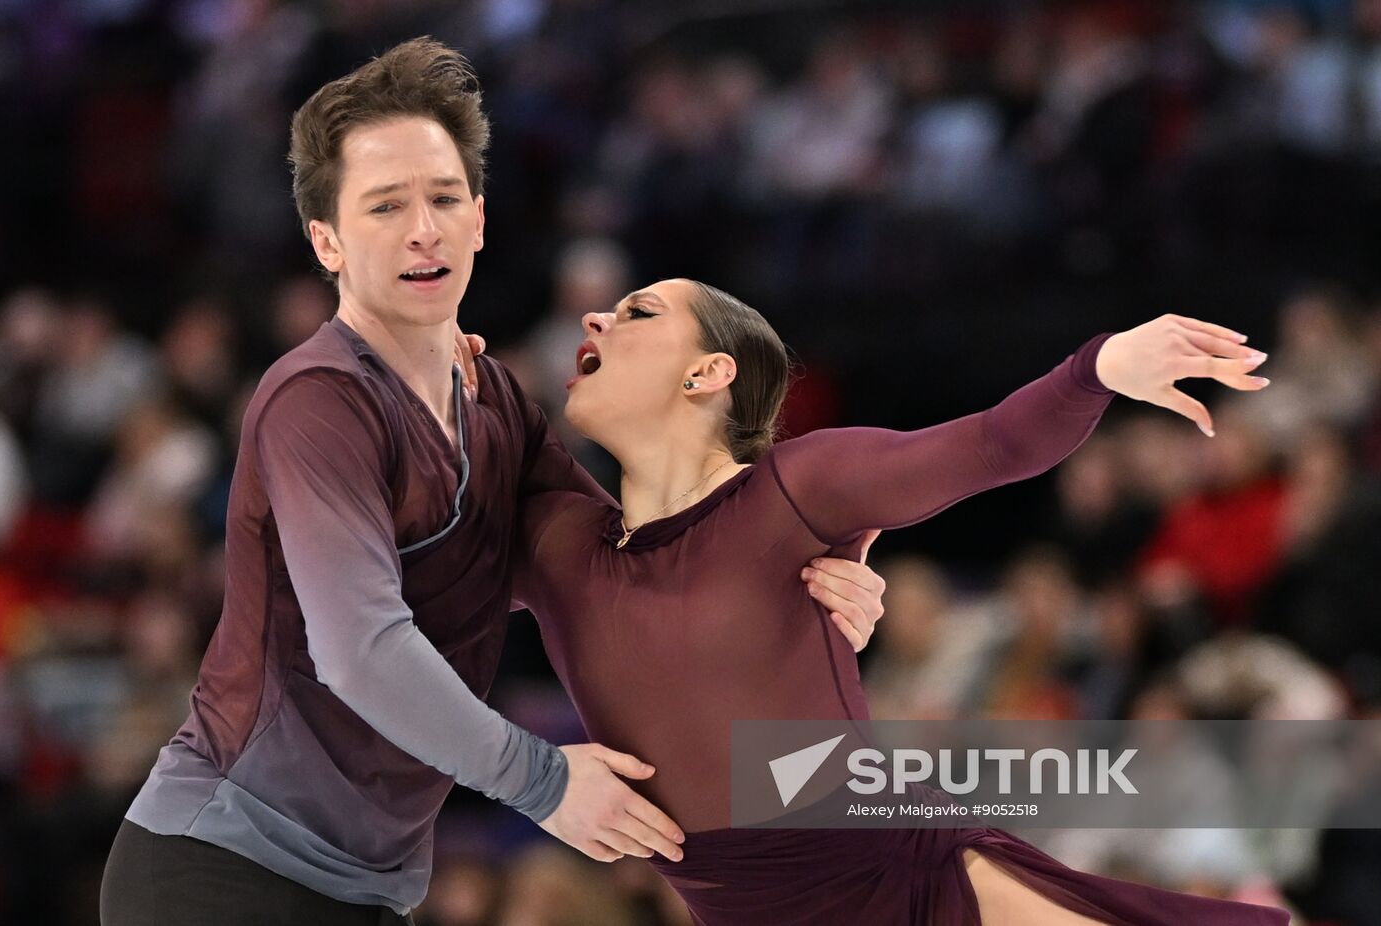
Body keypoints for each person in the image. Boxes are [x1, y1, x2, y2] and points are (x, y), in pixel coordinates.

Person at [98, 40, 887, 926]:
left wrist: (791, 590)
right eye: (385, 206)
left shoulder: (498, 402)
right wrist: (545, 782)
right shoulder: (317, 403)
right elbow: (359, 650)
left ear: (479, 217)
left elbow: (623, 582)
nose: (422, 229)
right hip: (223, 867)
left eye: (442, 198)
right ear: (326, 241)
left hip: (368, 889)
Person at [510, 278, 1289, 924]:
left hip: (907, 883)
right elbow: (399, 598)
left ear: (708, 373)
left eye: (639, 311)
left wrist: (1100, 367)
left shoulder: (793, 491)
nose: (594, 317)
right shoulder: (560, 548)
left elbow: (991, 444)